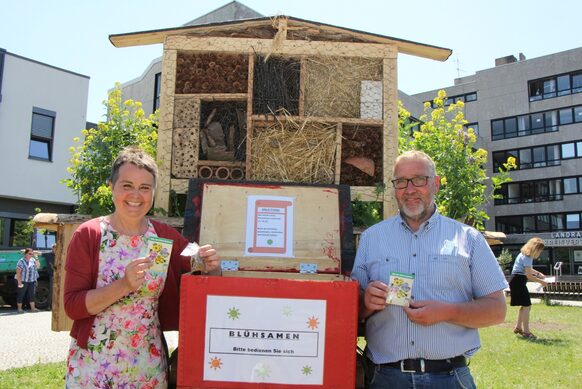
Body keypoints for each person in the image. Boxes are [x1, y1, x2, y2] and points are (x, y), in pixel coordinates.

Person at [63, 146, 221, 388]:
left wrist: (211, 264)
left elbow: (199, 269)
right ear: (111, 187)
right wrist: (123, 285)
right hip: (93, 367)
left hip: (147, 367)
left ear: (153, 193)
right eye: (127, 185)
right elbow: (73, 306)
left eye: (145, 188)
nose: (136, 195)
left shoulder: (164, 237)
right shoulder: (90, 234)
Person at [351, 150, 507, 389]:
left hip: (450, 377)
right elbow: (350, 312)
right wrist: (365, 303)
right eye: (401, 182)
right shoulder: (372, 238)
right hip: (385, 379)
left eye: (419, 179)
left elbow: (497, 311)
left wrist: (446, 312)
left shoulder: (468, 239)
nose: (409, 189)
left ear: (435, 184)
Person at [509, 237, 547, 339]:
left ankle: (518, 328)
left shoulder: (524, 254)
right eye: (540, 250)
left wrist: (538, 273)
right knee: (527, 306)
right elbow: (529, 275)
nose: (540, 252)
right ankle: (526, 332)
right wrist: (542, 282)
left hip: (516, 281)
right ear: (535, 248)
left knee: (525, 306)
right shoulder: (528, 256)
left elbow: (528, 269)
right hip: (518, 281)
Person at [15, 248, 41, 313]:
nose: (31, 255)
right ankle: (19, 309)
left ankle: (33, 308)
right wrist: (19, 282)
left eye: (32, 254)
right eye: (30, 254)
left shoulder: (33, 260)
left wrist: (37, 258)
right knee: (21, 294)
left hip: (32, 280)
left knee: (32, 294)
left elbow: (38, 267)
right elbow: (18, 272)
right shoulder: (21, 261)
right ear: (25, 254)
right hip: (23, 280)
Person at [43, 243, 56, 310]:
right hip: (52, 275)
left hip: (59, 275)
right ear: (52, 248)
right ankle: (49, 306)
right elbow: (39, 253)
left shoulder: (60, 255)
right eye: (54, 248)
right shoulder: (48, 254)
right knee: (51, 291)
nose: (55, 249)